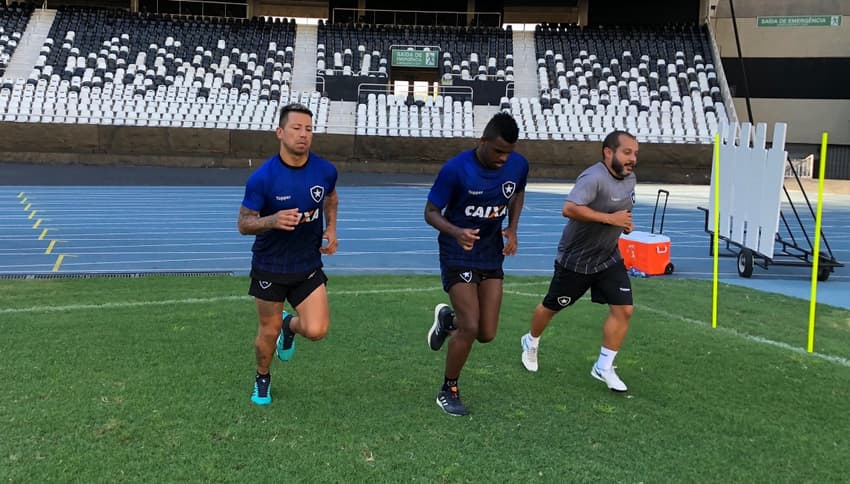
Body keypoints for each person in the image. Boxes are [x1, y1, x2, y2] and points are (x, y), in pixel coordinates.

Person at [425, 112, 529, 416]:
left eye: (508, 152)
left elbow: (518, 192)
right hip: (457, 250)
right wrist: (457, 232)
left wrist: (513, 228)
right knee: (470, 325)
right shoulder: (456, 170)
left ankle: (448, 321)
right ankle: (449, 389)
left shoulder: (518, 165)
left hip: (490, 251)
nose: (502, 158)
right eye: (497, 151)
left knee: (486, 332)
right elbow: (430, 212)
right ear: (482, 141)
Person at [519, 130, 637, 392]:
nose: (633, 158)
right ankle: (531, 340)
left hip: (608, 257)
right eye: (627, 152)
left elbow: (622, 210)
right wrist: (610, 220)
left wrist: (624, 223)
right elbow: (569, 209)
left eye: (635, 153)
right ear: (609, 152)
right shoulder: (593, 177)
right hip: (576, 261)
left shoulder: (630, 179)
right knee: (551, 307)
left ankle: (603, 366)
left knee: (624, 309)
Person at [237, 103, 339, 406]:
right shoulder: (262, 178)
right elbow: (243, 223)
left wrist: (332, 228)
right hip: (270, 266)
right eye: (296, 128)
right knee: (266, 333)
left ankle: (289, 326)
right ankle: (262, 376)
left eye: (308, 129)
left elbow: (331, 198)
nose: (303, 135)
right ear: (280, 132)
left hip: (307, 264)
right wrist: (272, 220)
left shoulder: (325, 170)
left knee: (317, 330)